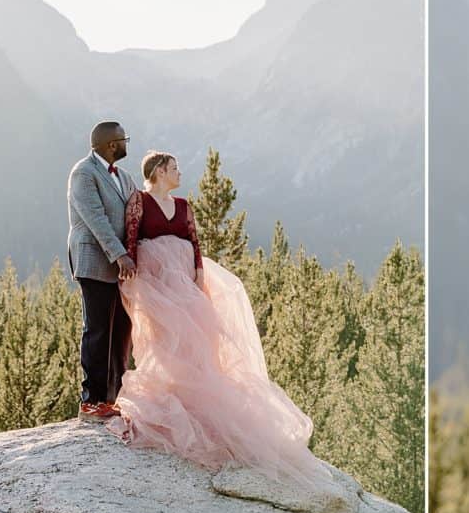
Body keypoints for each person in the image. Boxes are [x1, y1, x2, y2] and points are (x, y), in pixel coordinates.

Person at [105, 151, 331, 488]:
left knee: (200, 340)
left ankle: (198, 404)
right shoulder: (139, 201)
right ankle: (172, 398)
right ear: (160, 171)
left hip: (185, 281)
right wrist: (136, 279)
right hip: (158, 284)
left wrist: (198, 273)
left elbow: (194, 243)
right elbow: (132, 238)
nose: (180, 172)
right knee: (166, 341)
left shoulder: (183, 206)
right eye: (175, 167)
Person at [67, 121, 136, 422]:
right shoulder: (83, 173)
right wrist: (120, 254)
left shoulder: (124, 176)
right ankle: (92, 401)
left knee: (121, 334)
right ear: (111, 144)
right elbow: (94, 218)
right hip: (94, 261)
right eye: (124, 140)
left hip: (123, 269)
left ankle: (114, 399)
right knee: (97, 331)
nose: (126, 145)